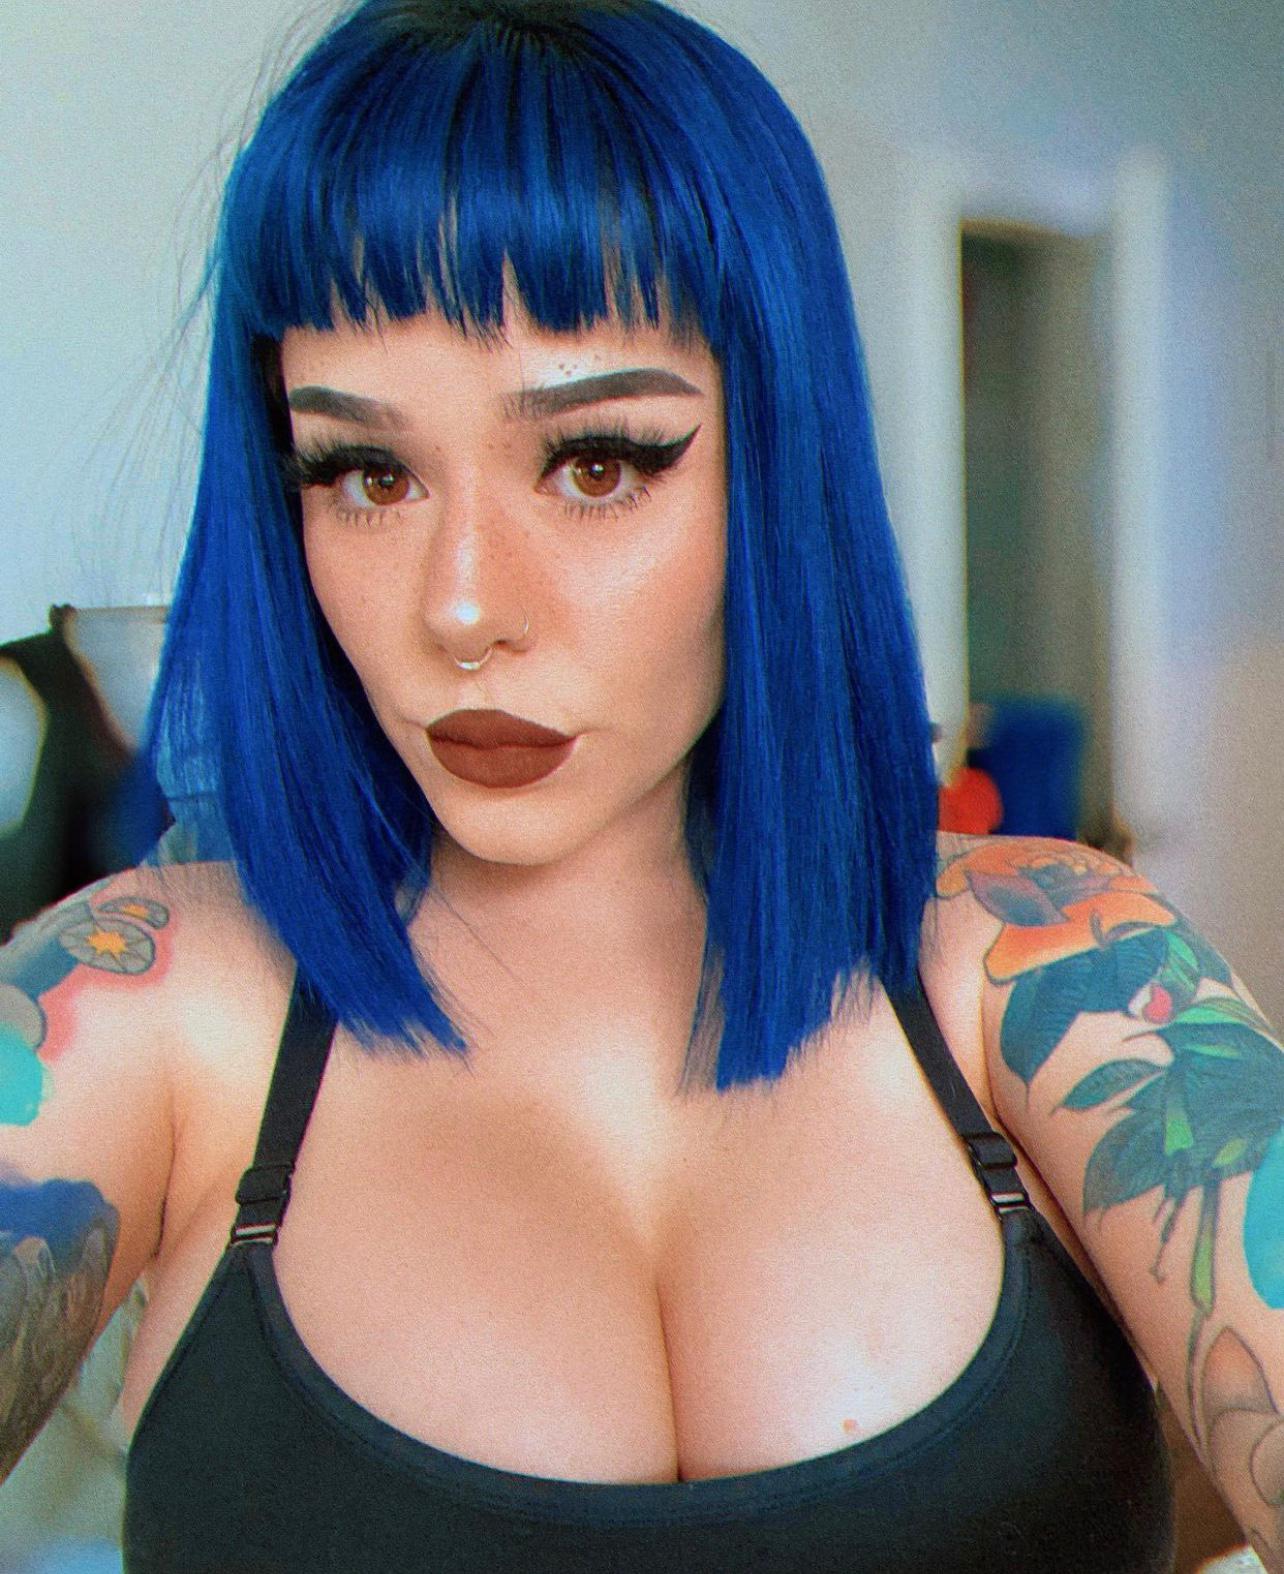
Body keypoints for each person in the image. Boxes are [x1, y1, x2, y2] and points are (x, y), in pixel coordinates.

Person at [0, 2, 1280, 1569]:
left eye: (596, 460)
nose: (463, 605)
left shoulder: (1062, 979)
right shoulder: (134, 1012)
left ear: (776, 466)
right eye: (365, 472)